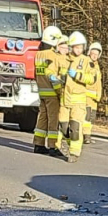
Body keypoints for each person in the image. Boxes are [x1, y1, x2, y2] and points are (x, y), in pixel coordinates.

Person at [59, 31, 97, 162]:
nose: (78, 49)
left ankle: (74, 152)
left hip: (78, 100)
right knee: (63, 127)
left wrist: (77, 75)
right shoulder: (64, 59)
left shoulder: (87, 61)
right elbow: (57, 73)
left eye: (80, 47)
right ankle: (69, 144)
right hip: (65, 99)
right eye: (76, 47)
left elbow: (92, 78)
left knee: (75, 127)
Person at [32, 26, 67, 154]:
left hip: (42, 91)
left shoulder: (38, 55)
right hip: (52, 93)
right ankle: (53, 146)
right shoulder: (53, 56)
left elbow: (36, 73)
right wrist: (60, 94)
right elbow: (55, 79)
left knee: (42, 118)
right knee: (53, 120)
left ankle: (38, 143)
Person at [83, 42, 103, 144]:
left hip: (94, 97)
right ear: (89, 52)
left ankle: (87, 134)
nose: (94, 55)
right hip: (86, 95)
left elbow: (98, 82)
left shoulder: (97, 66)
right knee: (87, 116)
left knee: (92, 117)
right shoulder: (86, 62)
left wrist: (99, 94)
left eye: (96, 54)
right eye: (93, 53)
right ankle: (85, 135)